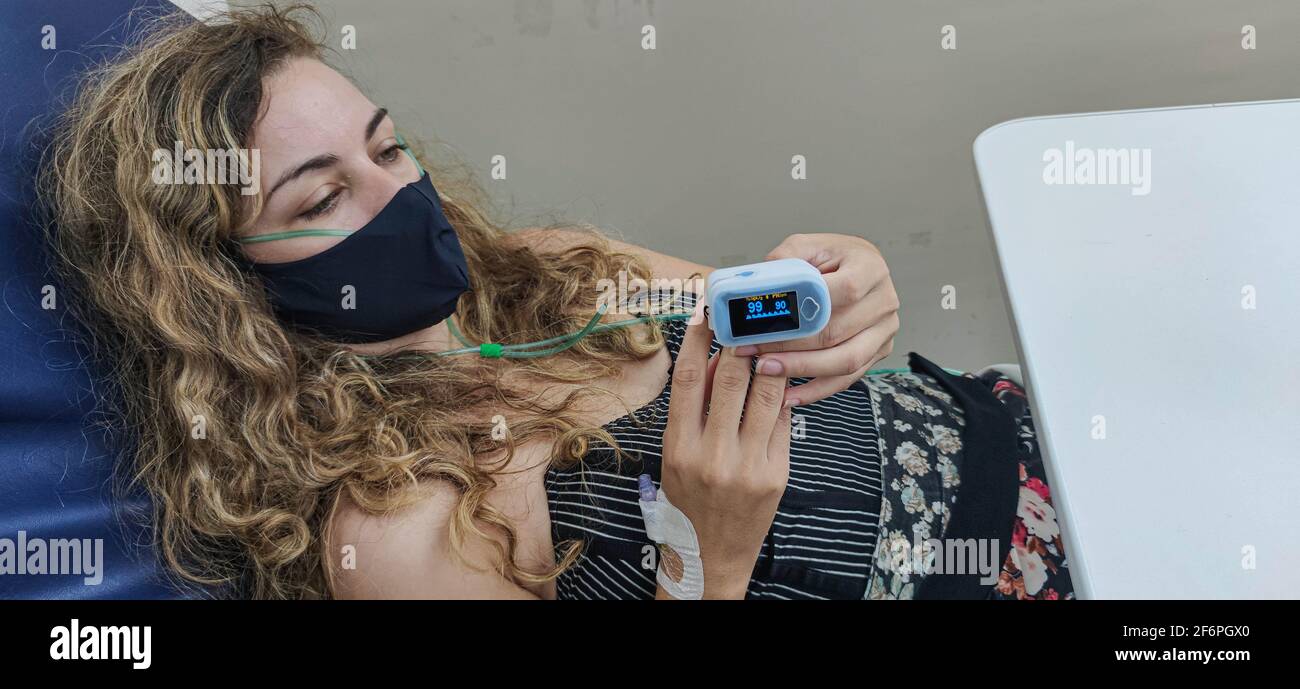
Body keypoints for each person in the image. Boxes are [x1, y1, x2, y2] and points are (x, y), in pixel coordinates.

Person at [38, 3, 1070, 600]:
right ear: (225, 284)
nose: (400, 194)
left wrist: (857, 296)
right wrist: (709, 553)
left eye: (388, 146)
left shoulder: (556, 268)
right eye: (322, 194)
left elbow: (805, 323)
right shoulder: (398, 528)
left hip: (1051, 432)